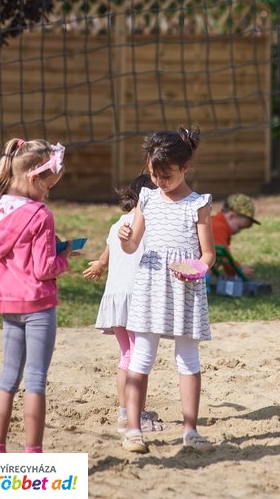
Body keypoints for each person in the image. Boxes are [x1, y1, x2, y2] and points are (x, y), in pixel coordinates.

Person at [118, 126, 215, 454]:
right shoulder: (146, 198)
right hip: (150, 286)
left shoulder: (198, 204)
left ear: (185, 167)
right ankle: (133, 429)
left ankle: (190, 430)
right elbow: (133, 246)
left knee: (188, 358)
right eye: (154, 174)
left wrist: (195, 270)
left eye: (167, 175)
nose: (160, 181)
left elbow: (208, 254)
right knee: (142, 355)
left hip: (185, 289)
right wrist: (126, 240)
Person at [0, 138, 74, 454]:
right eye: (48, 185)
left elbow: (2, 248)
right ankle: (33, 455)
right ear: (34, 177)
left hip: (8, 304)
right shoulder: (40, 214)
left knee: (7, 378)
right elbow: (45, 268)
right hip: (38, 305)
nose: (49, 192)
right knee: (35, 381)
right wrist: (65, 255)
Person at [83, 173, 162, 434]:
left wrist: (99, 265)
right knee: (140, 359)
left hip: (116, 296)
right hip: (136, 296)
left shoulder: (117, 223)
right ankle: (135, 416)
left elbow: (107, 255)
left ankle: (124, 412)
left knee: (127, 356)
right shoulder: (149, 223)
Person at [211, 193, 260, 276]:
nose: (239, 232)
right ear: (231, 216)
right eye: (239, 227)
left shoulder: (213, 222)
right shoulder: (218, 227)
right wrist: (238, 270)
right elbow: (223, 255)